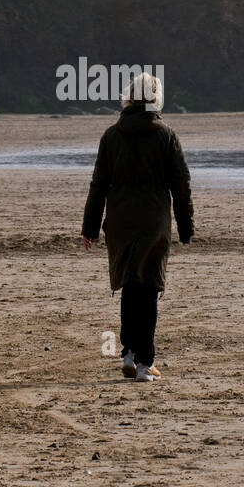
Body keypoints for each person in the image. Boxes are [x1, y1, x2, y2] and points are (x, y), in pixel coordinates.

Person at [81, 73, 193, 383]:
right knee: (150, 287)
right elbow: (181, 185)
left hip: (119, 220)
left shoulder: (111, 135)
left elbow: (99, 184)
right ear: (157, 97)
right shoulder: (166, 135)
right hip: (153, 220)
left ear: (129, 96)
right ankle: (145, 362)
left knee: (130, 284)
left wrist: (89, 227)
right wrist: (185, 227)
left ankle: (129, 353)